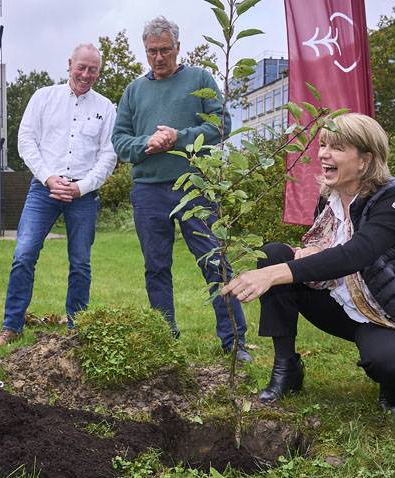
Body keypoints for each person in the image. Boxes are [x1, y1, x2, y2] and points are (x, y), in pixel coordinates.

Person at [221, 113, 395, 412]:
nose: (323, 154)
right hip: (339, 301)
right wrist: (310, 252)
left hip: (386, 312)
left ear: (364, 160)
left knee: (394, 363)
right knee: (274, 254)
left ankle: (393, 384)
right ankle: (286, 370)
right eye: (323, 145)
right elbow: (326, 246)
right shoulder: (330, 195)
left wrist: (272, 275)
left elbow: (356, 254)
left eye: (336, 147)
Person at [111, 16, 250, 361]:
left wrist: (178, 138)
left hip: (194, 186)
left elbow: (221, 125)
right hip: (148, 191)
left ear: (177, 48)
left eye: (164, 50)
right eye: (151, 52)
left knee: (215, 262)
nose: (158, 58)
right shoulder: (133, 91)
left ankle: (234, 342)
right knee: (156, 266)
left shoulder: (199, 79)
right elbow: (119, 141)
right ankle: (164, 337)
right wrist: (149, 143)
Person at [0, 43, 117, 347]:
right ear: (70, 64)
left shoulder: (106, 108)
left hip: (83, 195)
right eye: (81, 67)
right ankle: (12, 326)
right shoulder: (44, 97)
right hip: (43, 190)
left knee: (80, 262)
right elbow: (26, 140)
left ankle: (77, 327)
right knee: (23, 254)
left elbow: (108, 156)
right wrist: (49, 178)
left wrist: (80, 186)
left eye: (93, 69)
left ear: (98, 71)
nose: (86, 74)